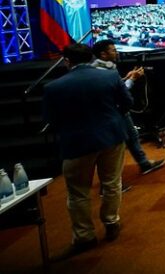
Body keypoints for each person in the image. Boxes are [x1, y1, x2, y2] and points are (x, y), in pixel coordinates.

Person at [43, 44, 132, 256]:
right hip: (112, 137)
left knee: (78, 193)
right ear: (91, 58)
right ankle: (111, 222)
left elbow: (51, 120)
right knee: (112, 183)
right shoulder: (110, 76)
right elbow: (127, 103)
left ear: (67, 61)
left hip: (77, 143)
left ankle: (84, 236)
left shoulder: (53, 87)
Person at [91, 40, 165, 176]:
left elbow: (115, 85)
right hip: (114, 111)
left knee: (132, 136)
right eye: (113, 50)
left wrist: (126, 77)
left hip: (116, 110)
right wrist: (132, 80)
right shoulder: (102, 72)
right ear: (103, 54)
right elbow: (119, 91)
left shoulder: (103, 68)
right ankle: (112, 181)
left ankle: (144, 164)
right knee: (116, 146)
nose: (116, 52)